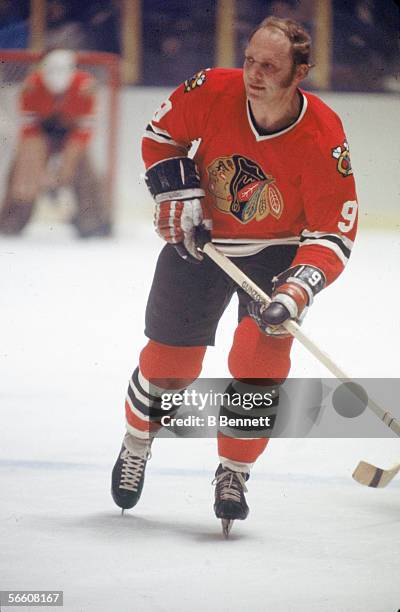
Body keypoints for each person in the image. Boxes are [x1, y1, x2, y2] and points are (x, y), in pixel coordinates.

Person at [111, 16, 358, 532]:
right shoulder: (210, 89)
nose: (253, 73)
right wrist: (180, 194)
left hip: (276, 252)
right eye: (250, 60)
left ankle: (234, 472)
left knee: (258, 364)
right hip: (202, 244)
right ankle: (137, 442)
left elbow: (333, 233)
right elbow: (160, 138)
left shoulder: (323, 135)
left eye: (270, 66)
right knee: (167, 368)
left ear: (301, 72)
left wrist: (295, 290)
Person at [0, 49, 111, 237]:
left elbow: (82, 133)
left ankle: (94, 221)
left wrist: (64, 170)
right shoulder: (31, 87)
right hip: (39, 135)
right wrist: (38, 171)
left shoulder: (86, 88)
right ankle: (10, 221)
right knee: (22, 170)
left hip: (72, 134)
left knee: (86, 171)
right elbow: (29, 131)